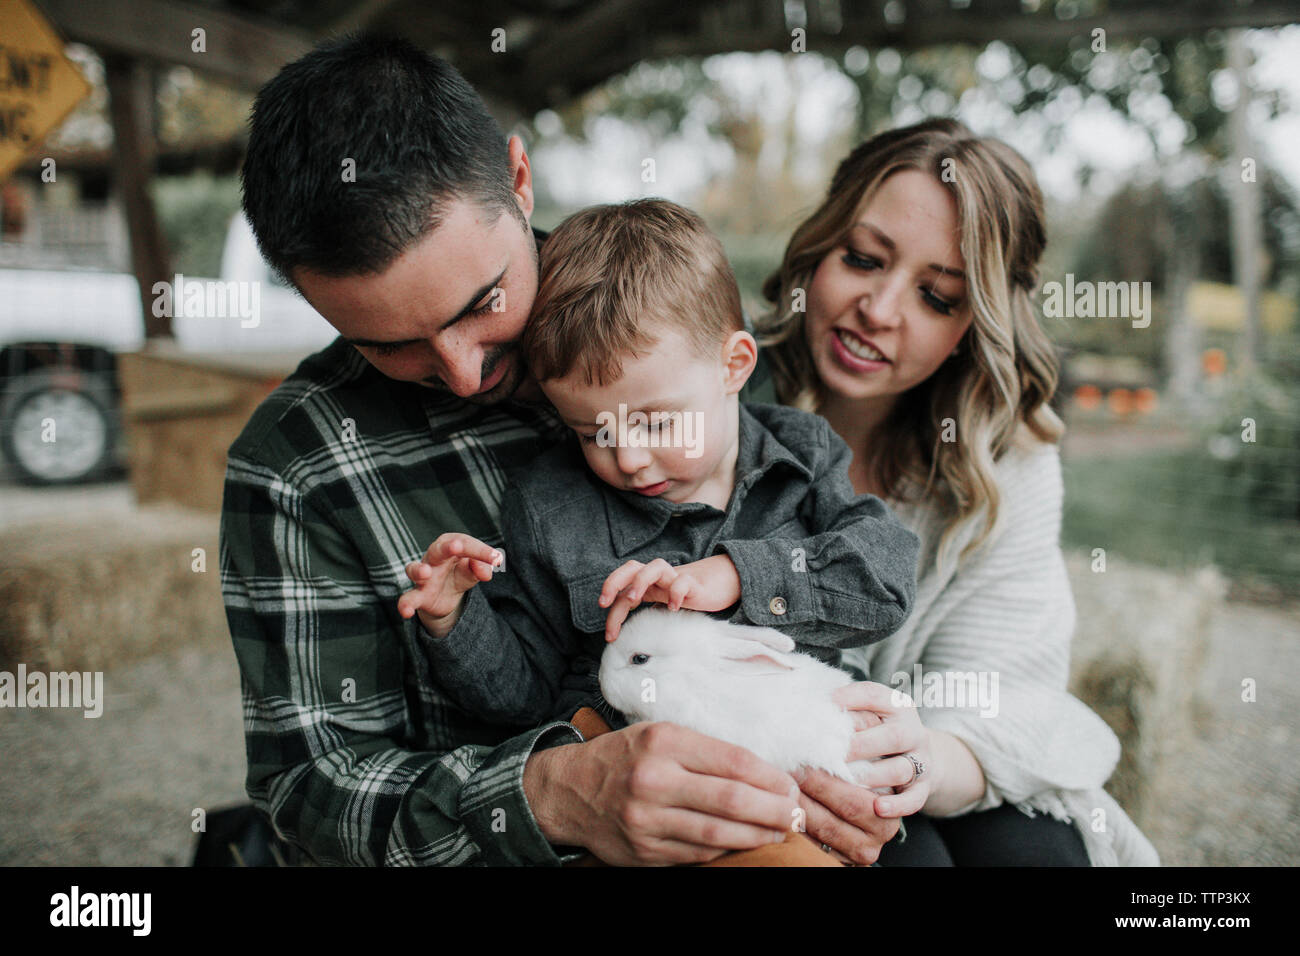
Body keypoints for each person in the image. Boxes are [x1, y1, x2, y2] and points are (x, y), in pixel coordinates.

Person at [222, 34, 905, 867]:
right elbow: (312, 788)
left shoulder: (668, 315)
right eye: (389, 344)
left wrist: (869, 749)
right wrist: (551, 795)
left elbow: (858, 558)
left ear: (518, 177)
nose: (464, 374)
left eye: (484, 302)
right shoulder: (300, 463)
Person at [756, 118, 1160, 865]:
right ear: (818, 245)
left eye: (937, 296)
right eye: (862, 259)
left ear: (976, 324)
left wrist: (920, 763)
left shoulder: (1004, 458)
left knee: (1040, 853)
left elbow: (997, 693)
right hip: (759, 754)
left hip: (922, 759)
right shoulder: (722, 393)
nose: (879, 309)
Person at [394, 199, 919, 732]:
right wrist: (452, 619)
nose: (628, 459)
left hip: (799, 755)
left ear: (733, 365)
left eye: (656, 423)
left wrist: (740, 576)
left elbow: (887, 582)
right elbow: (522, 700)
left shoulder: (803, 454)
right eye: (593, 432)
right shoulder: (549, 507)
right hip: (650, 791)